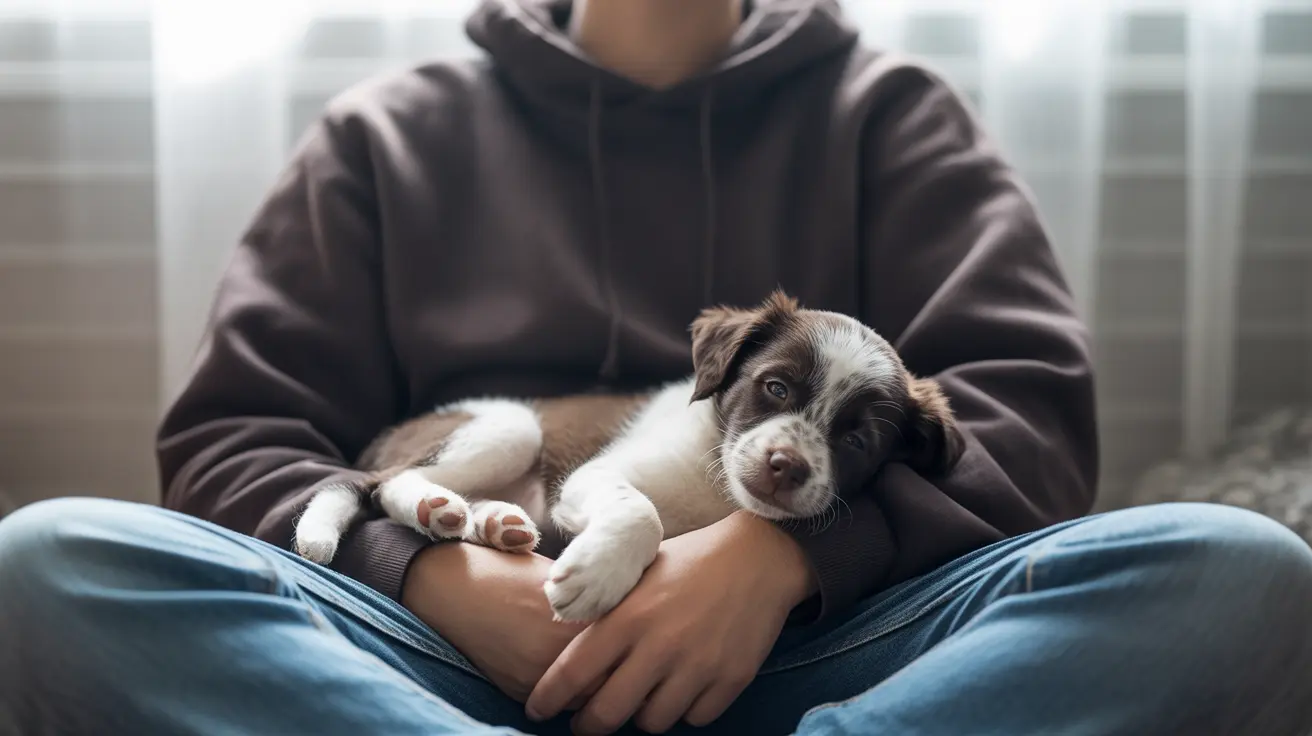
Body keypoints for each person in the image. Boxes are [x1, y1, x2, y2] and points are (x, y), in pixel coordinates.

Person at [2, 0, 1310, 733]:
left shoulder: (893, 119)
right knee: (47, 562)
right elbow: (232, 444)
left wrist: (776, 562)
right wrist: (440, 581)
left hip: (825, 652)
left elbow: (1025, 422)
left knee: (1238, 574)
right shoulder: (382, 140)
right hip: (436, 660)